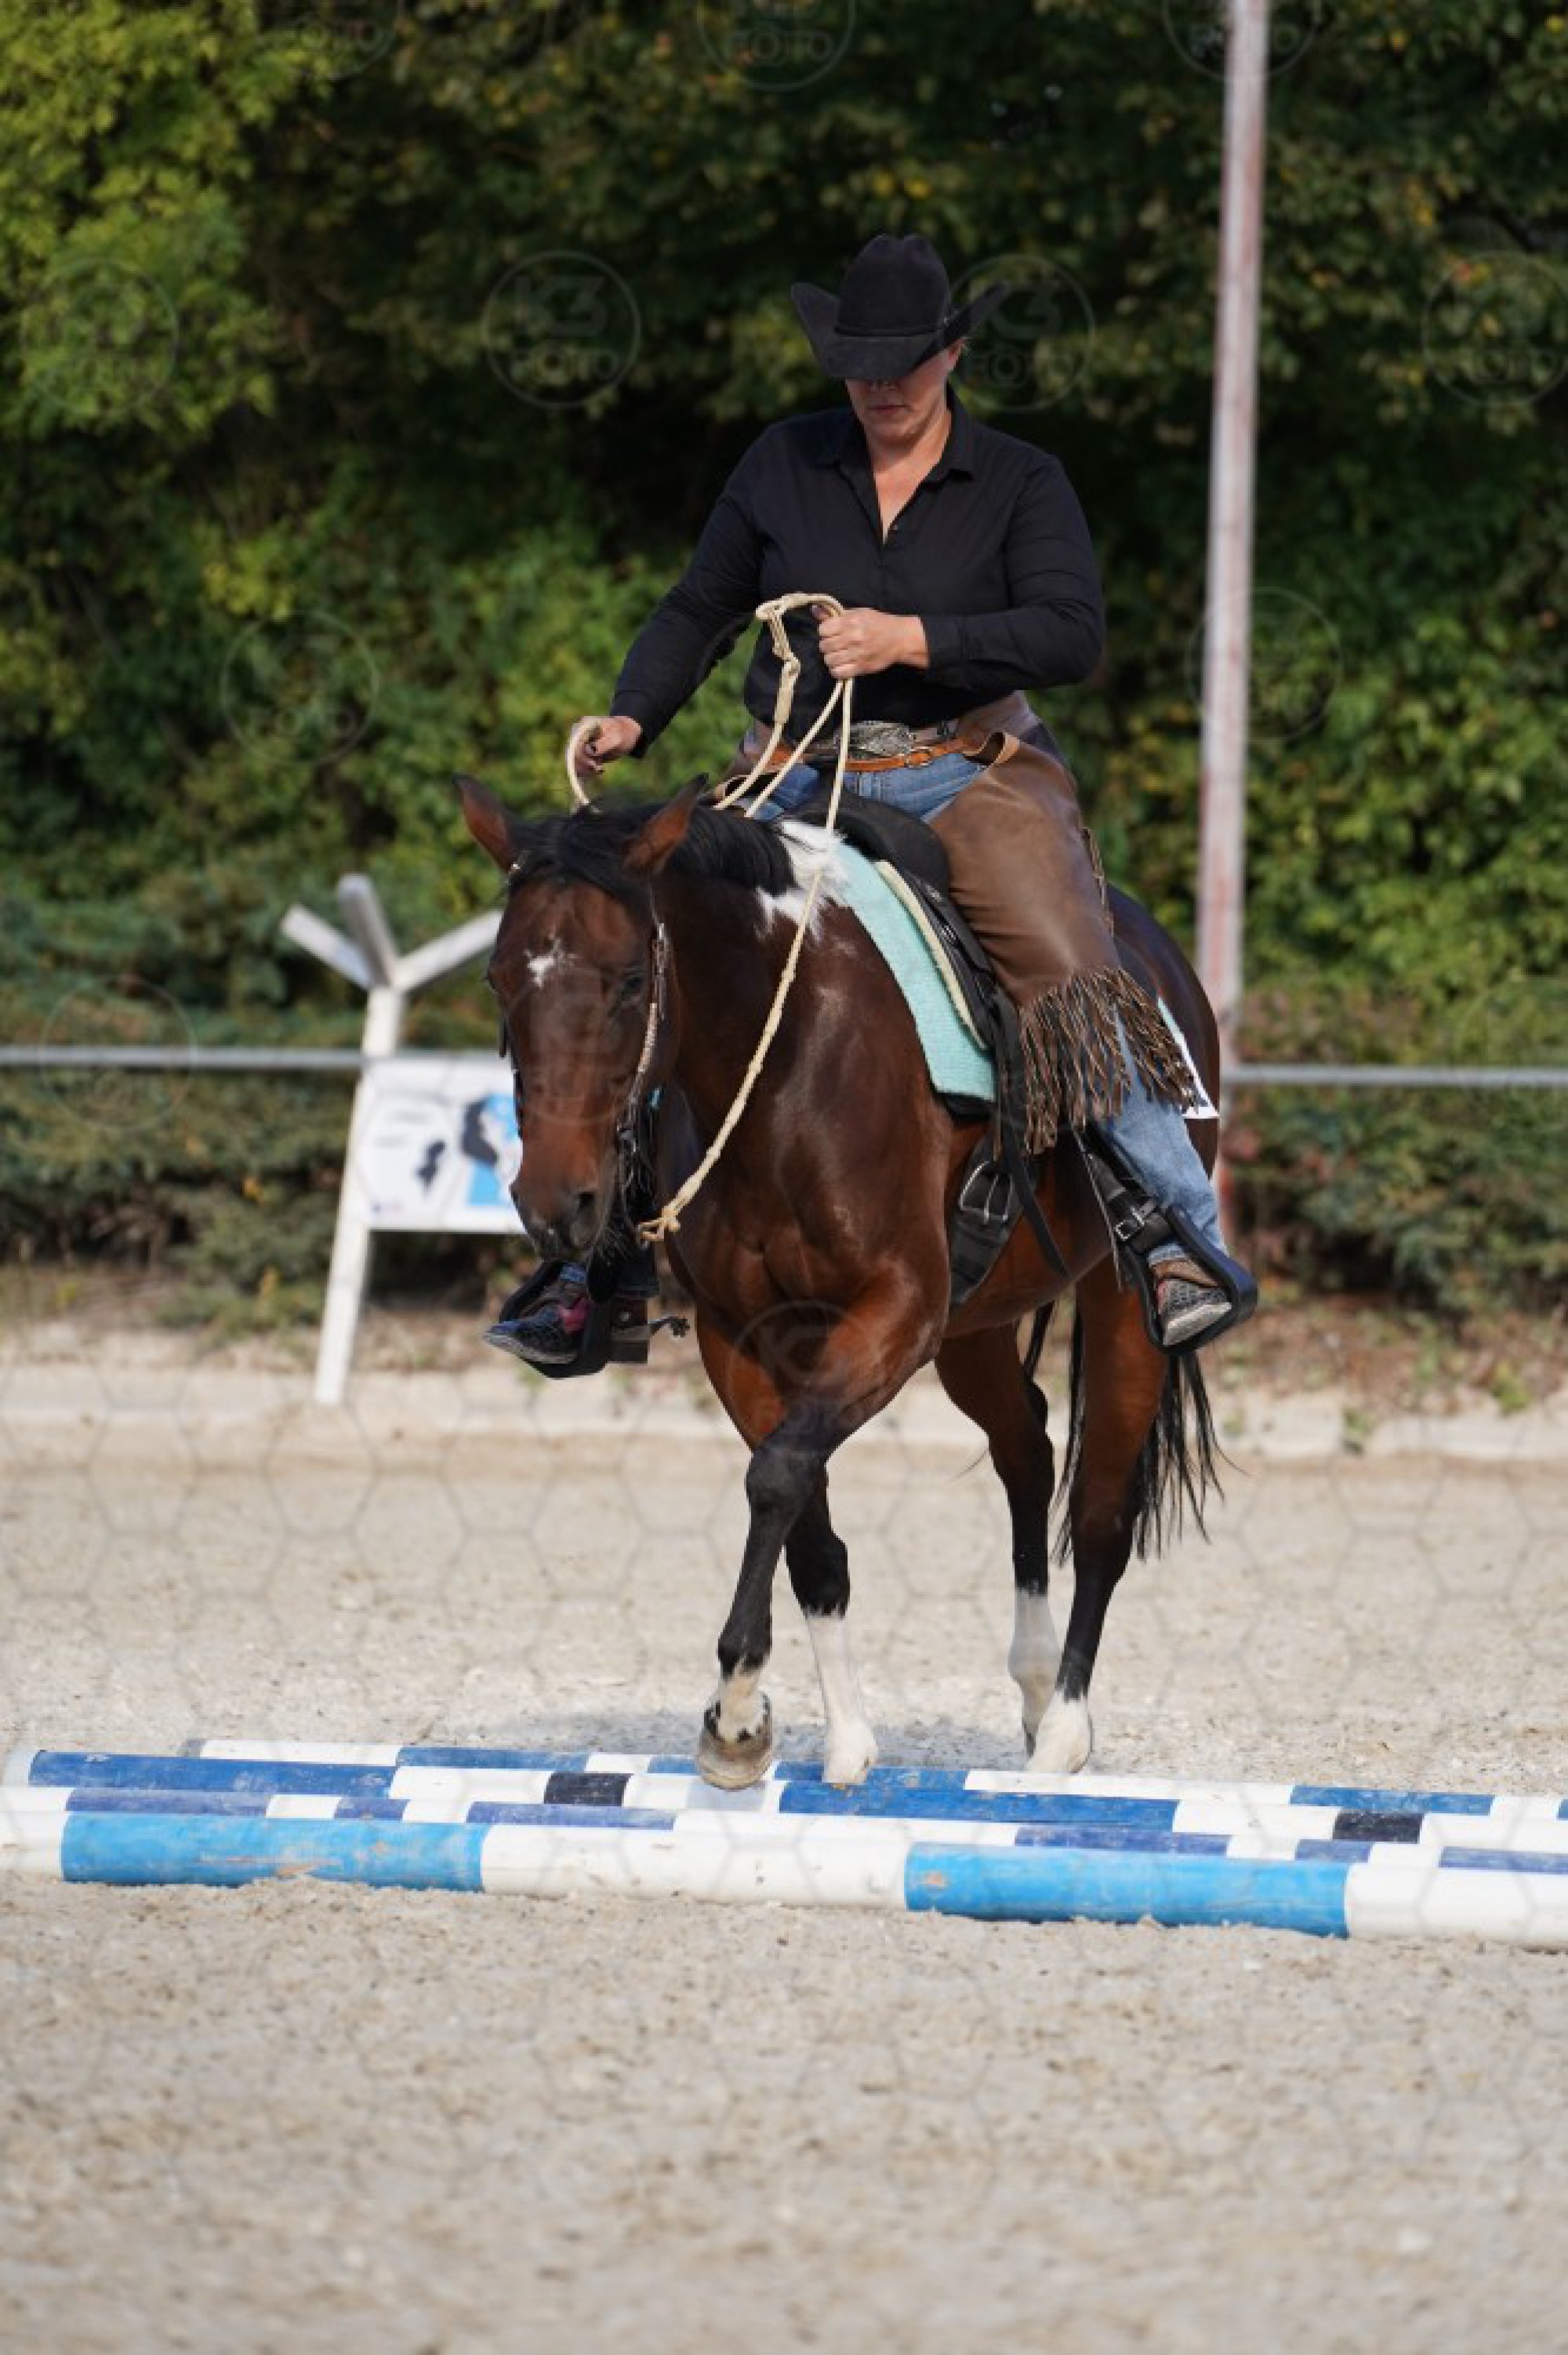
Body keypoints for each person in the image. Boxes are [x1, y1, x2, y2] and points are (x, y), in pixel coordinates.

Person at [488, 233, 1250, 1372]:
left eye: (903, 363)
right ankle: (597, 1270)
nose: (880, 386)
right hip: (791, 769)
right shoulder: (783, 464)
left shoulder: (1020, 480)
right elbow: (699, 605)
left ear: (953, 355)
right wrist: (634, 714)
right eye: (858, 366)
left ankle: (1173, 1235)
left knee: (1067, 964)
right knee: (658, 949)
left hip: (967, 769)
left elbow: (1071, 633)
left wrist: (914, 639)